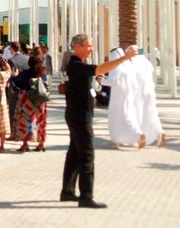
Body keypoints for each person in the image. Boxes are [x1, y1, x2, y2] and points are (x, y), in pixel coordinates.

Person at [60, 35, 139, 208]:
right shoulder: (75, 65)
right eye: (88, 46)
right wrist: (124, 58)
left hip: (78, 114)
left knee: (75, 153)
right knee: (87, 155)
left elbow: (96, 74)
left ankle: (67, 191)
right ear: (78, 47)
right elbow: (100, 69)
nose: (91, 49)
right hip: (79, 116)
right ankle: (86, 196)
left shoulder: (78, 65)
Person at [104, 46, 142, 149]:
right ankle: (133, 139)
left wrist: (101, 80)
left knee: (116, 119)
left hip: (118, 97)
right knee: (129, 116)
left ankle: (116, 141)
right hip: (129, 95)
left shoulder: (116, 66)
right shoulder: (128, 65)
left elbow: (112, 81)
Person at [15, 53, 48, 152]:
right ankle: (41, 143)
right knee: (41, 121)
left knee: (25, 121)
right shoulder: (42, 72)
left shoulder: (25, 73)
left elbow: (17, 83)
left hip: (27, 99)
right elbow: (46, 84)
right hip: (41, 99)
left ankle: (25, 144)